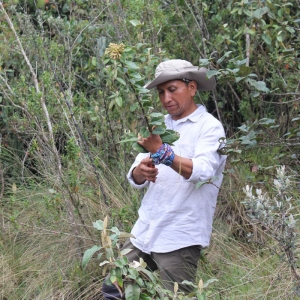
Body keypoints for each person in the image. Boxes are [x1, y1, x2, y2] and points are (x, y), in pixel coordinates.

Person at [102, 59, 227, 299]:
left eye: (172, 90)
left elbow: (203, 171)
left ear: (192, 88)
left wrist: (163, 153)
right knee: (114, 289)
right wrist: (142, 170)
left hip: (180, 233)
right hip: (146, 228)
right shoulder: (161, 126)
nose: (166, 98)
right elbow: (137, 175)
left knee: (175, 296)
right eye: (161, 92)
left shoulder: (209, 127)